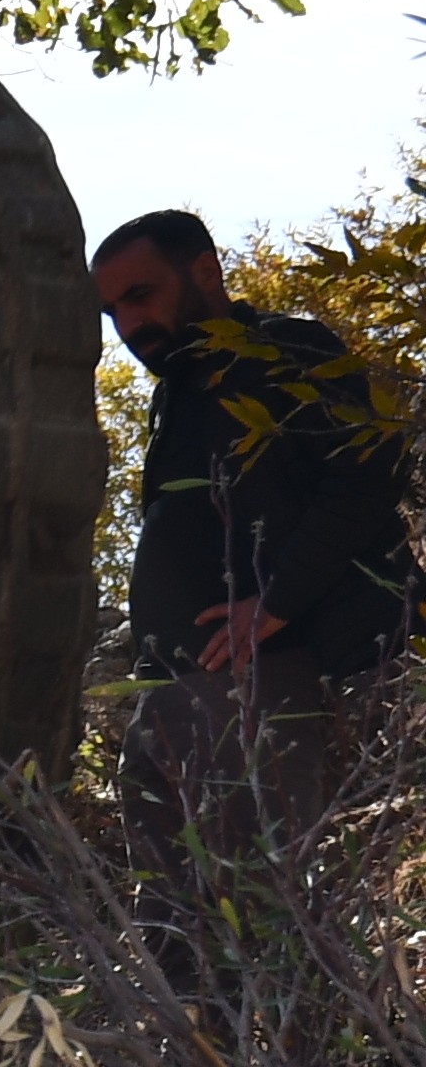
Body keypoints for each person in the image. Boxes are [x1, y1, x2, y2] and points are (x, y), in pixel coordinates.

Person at [95, 209, 416, 857]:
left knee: (259, 912)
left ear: (206, 273)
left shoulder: (287, 353)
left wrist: (280, 601)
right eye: (112, 313)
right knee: (172, 924)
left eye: (140, 296)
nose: (130, 327)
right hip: (171, 697)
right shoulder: (176, 397)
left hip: (273, 684)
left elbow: (368, 472)